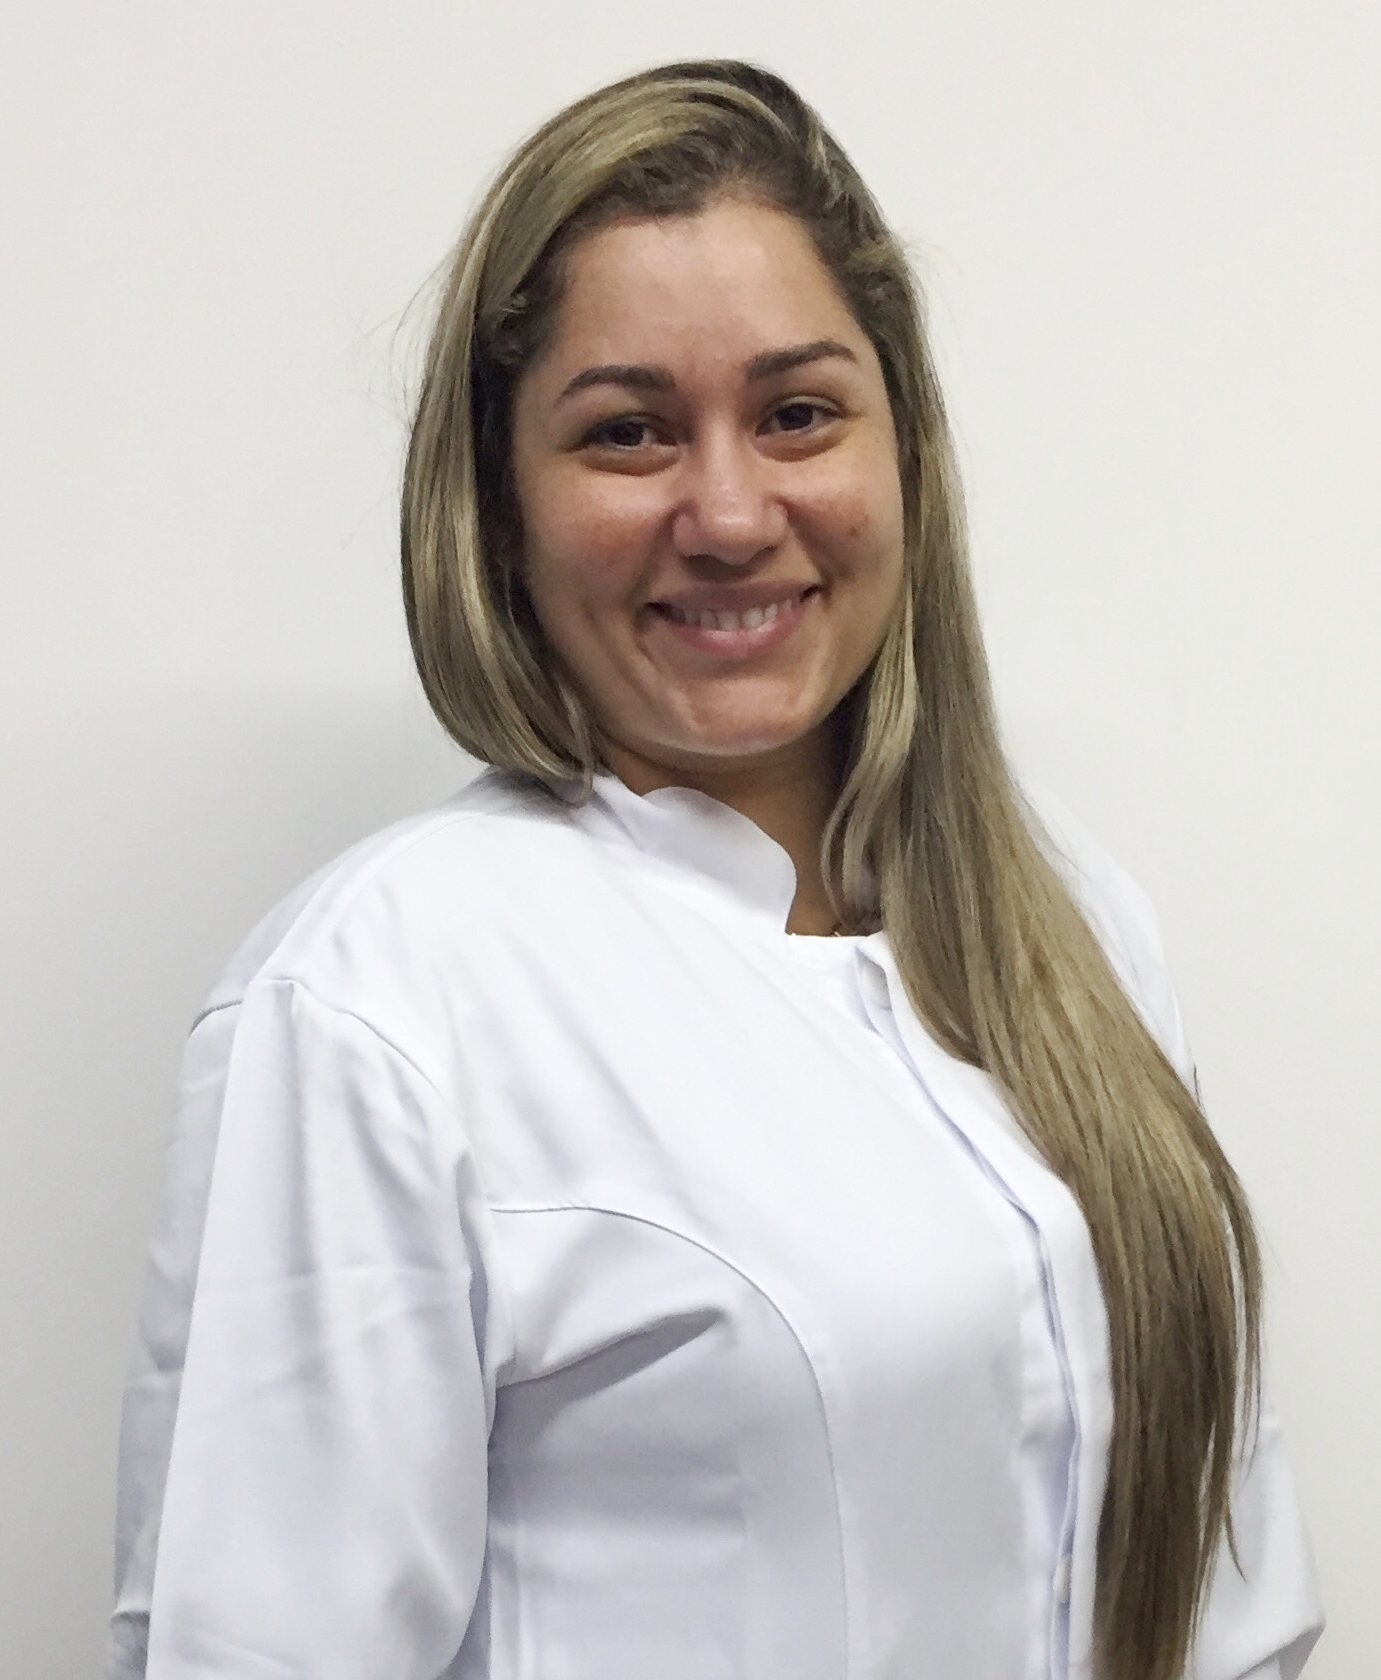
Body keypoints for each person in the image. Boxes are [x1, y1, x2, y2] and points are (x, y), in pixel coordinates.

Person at [108, 60, 1321, 1680]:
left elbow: (1225, 1600)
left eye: (796, 413)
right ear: (500, 509)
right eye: (626, 433)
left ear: (903, 451)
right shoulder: (377, 1003)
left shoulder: (1069, 925)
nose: (731, 512)